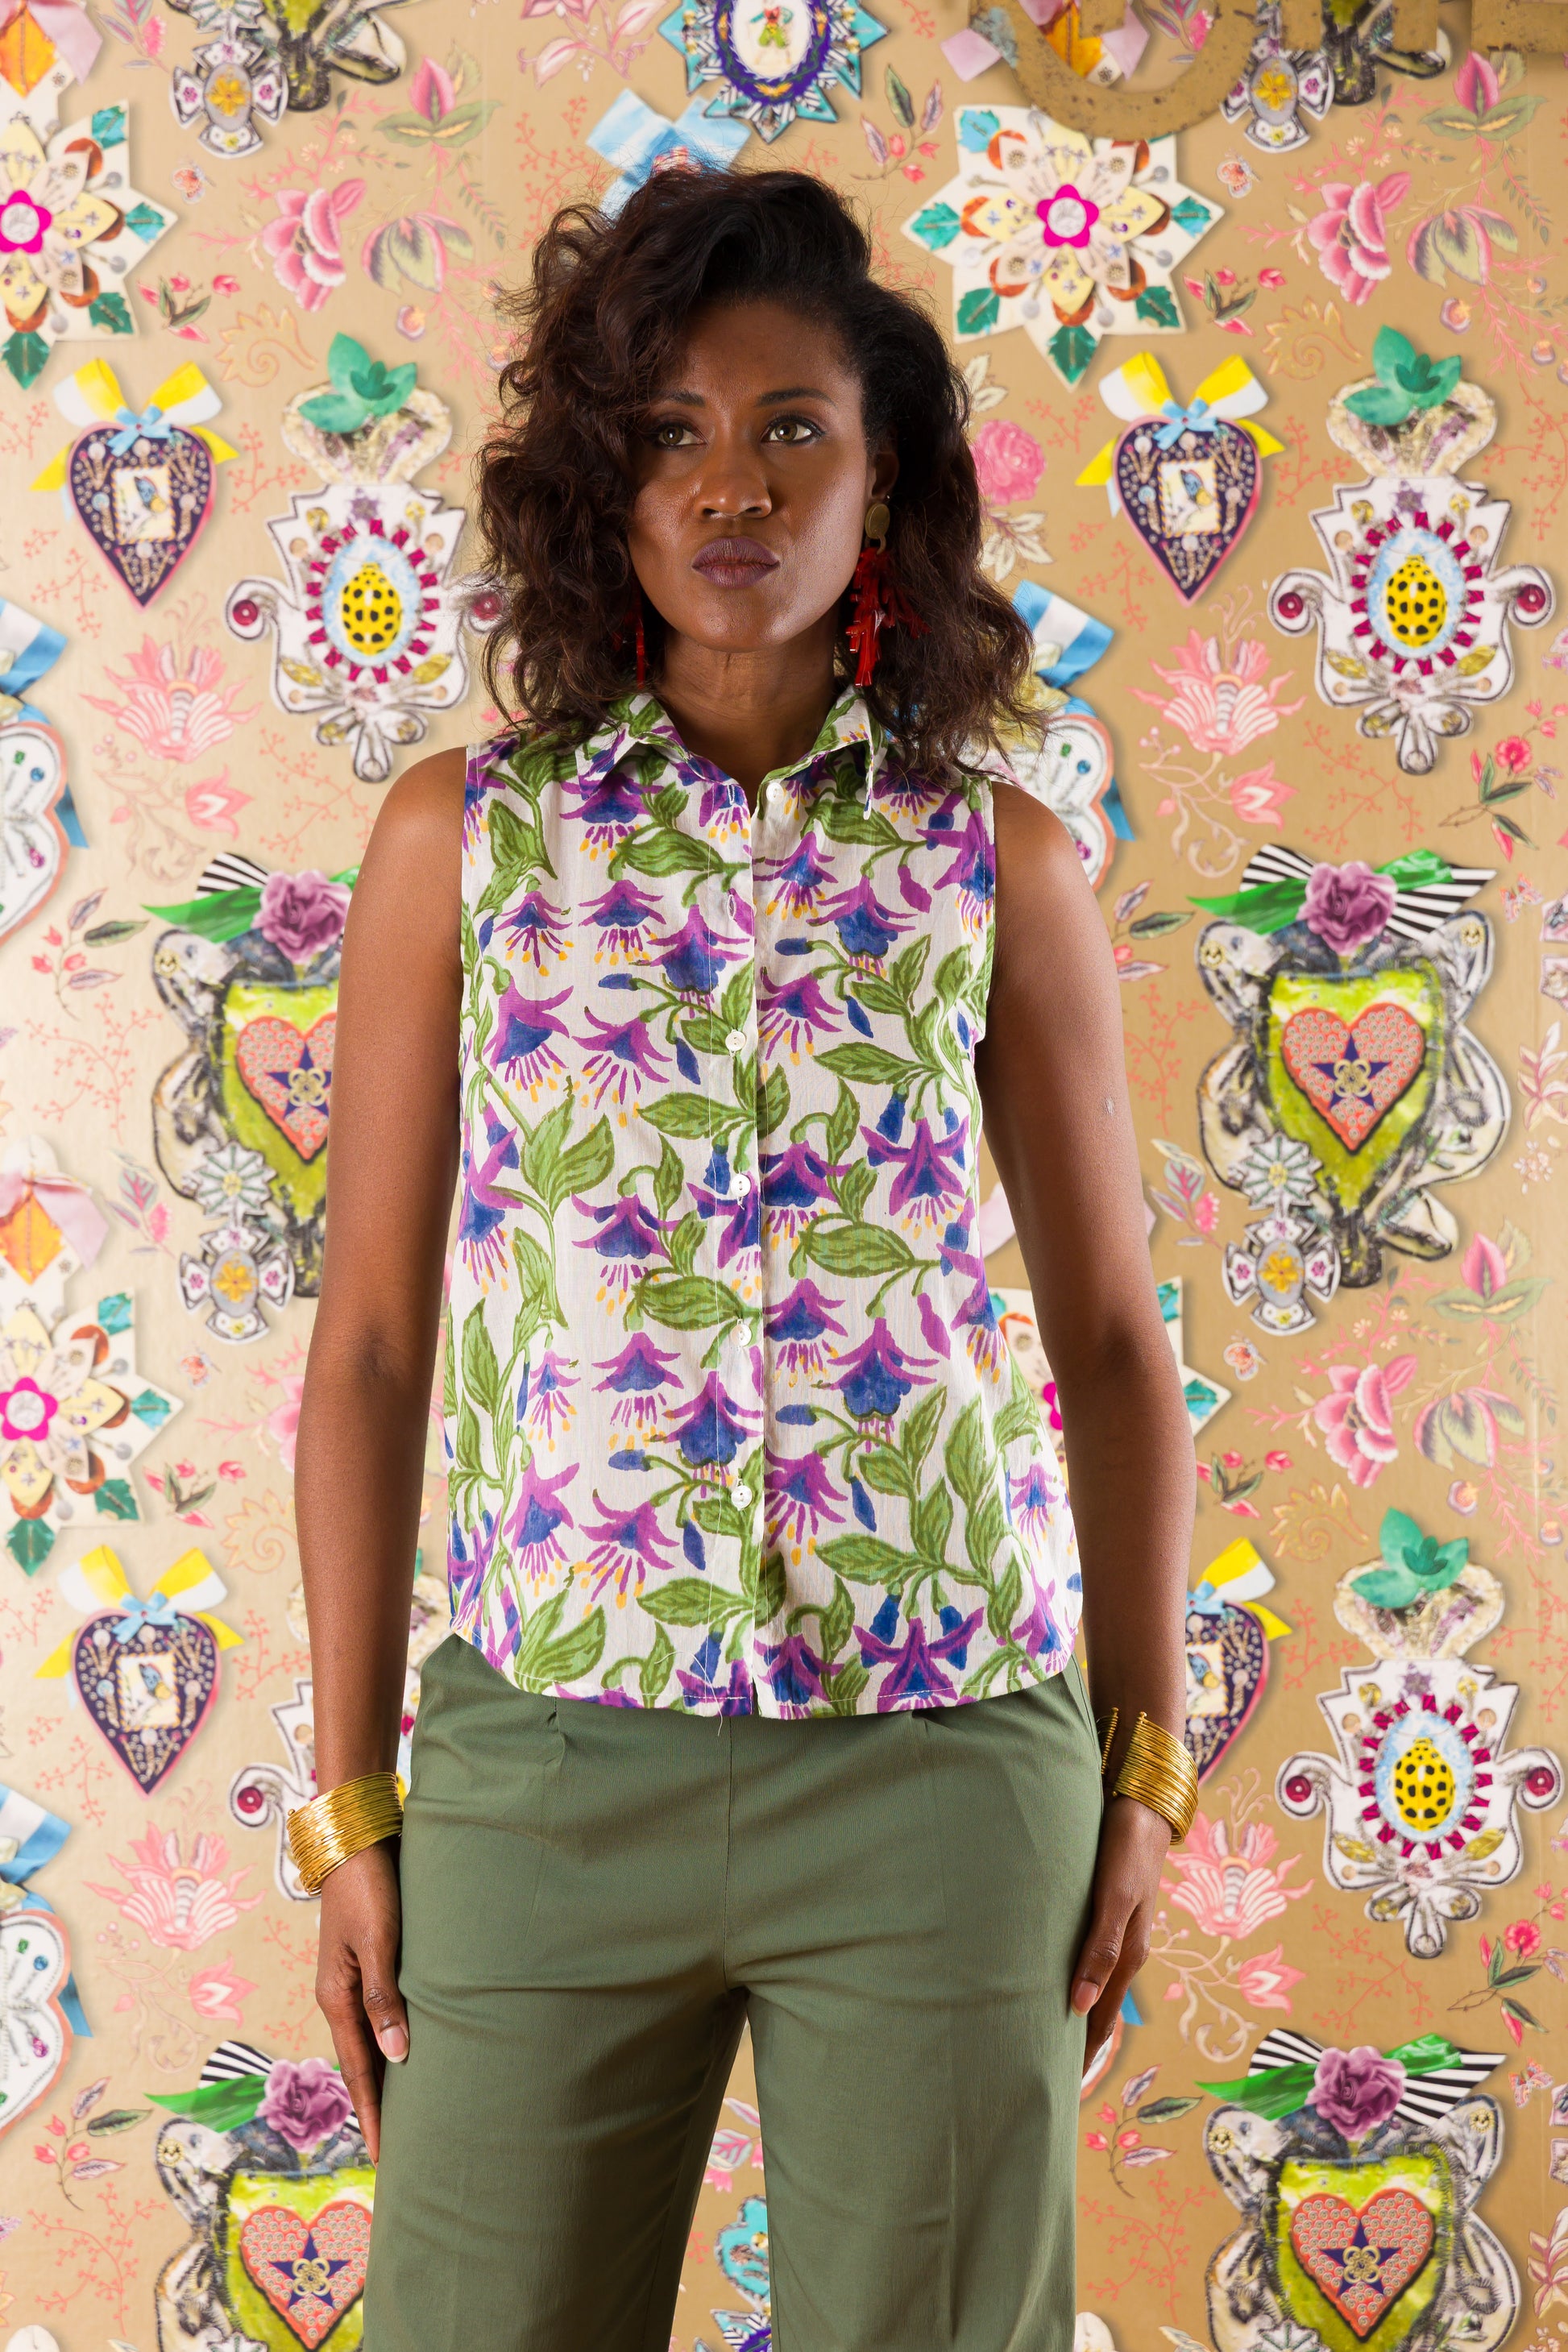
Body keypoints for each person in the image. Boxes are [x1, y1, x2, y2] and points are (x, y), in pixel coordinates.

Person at [290, 166, 1197, 2352]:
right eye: (673, 433)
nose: (733, 485)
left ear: (883, 486)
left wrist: (1146, 1770)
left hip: (941, 1766)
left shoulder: (996, 860)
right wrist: (349, 1809)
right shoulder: (463, 840)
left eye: (795, 428)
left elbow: (1105, 1342)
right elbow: (377, 1345)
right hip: (544, 1759)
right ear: (598, 486)